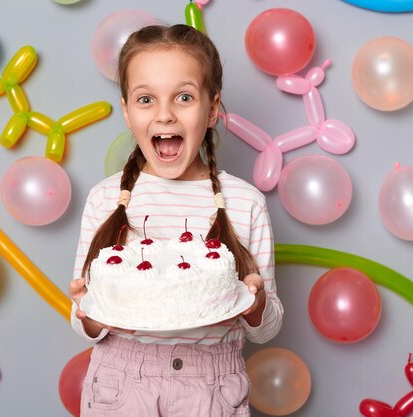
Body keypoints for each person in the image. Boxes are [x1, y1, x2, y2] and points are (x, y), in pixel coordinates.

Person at [68, 24, 283, 417]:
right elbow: (84, 321)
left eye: (184, 97)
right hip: (120, 384)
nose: (164, 114)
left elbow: (267, 327)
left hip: (213, 386)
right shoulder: (105, 198)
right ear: (126, 111)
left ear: (213, 108)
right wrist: (88, 315)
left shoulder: (244, 202)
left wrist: (256, 305)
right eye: (146, 99)